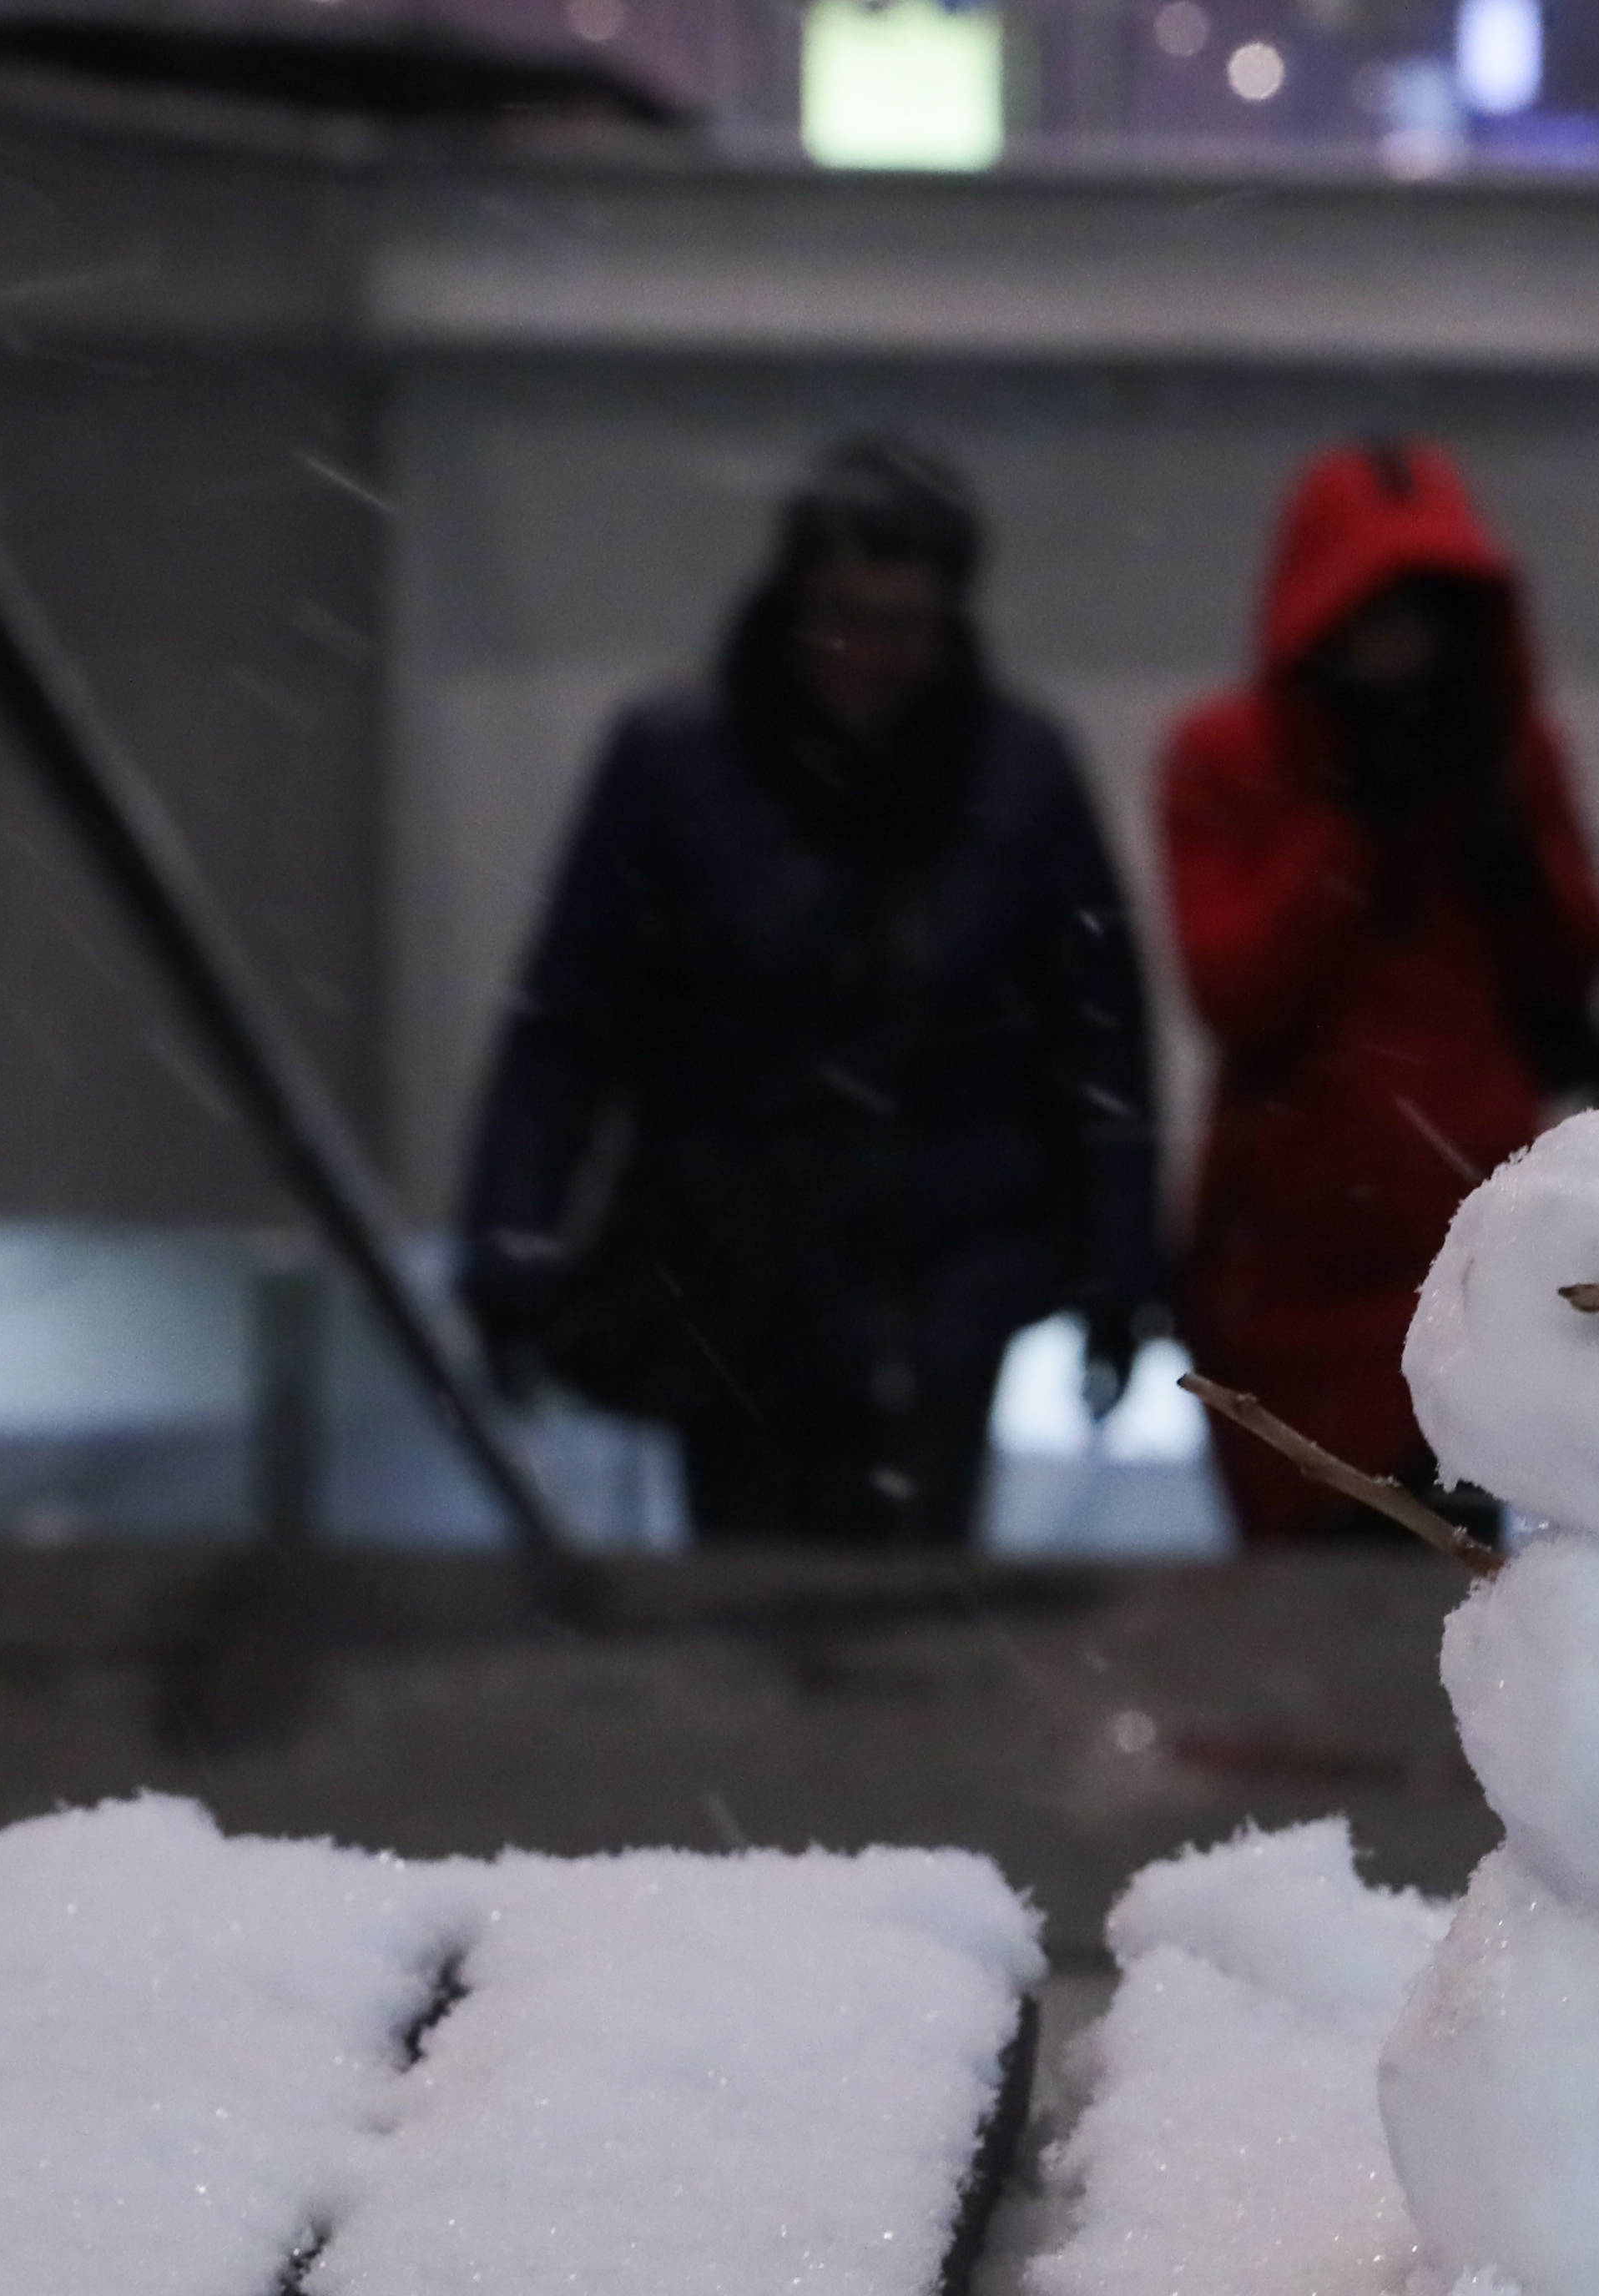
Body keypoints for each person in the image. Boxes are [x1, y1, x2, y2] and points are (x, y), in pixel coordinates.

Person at [457, 435, 1162, 1543]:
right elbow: (568, 1026)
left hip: (932, 1275)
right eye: (845, 614)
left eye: (902, 623)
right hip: (745, 1270)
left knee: (897, 1603)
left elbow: (1098, 1033)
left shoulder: (1009, 777)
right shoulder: (680, 768)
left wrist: (1122, 1264)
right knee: (767, 1591)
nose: (867, 656)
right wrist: (509, 1240)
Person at [1163, 436, 1599, 1542]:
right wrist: (1351, 830)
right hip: (1296, 1274)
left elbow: (1574, 974)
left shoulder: (1504, 759)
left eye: (1421, 616)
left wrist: (1505, 847)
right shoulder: (1228, 761)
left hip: (1461, 1264)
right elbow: (1238, 990)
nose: (1399, 652)